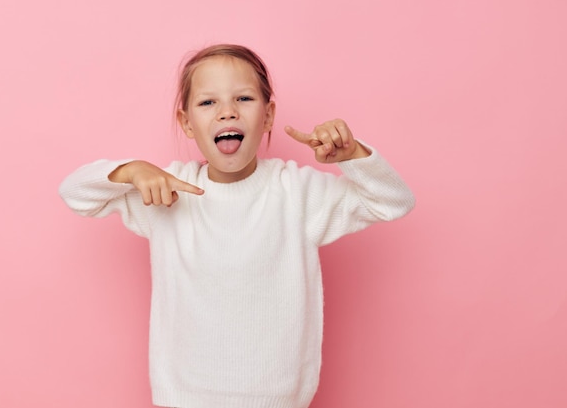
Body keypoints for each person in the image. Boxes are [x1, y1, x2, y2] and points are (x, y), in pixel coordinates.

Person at [59, 43, 415, 408]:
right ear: (186, 123)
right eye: (208, 102)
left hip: (279, 399)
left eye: (243, 98)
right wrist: (130, 170)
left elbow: (392, 201)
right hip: (184, 398)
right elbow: (75, 193)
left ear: (269, 115)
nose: (227, 112)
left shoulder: (297, 192)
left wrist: (353, 156)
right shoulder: (165, 189)